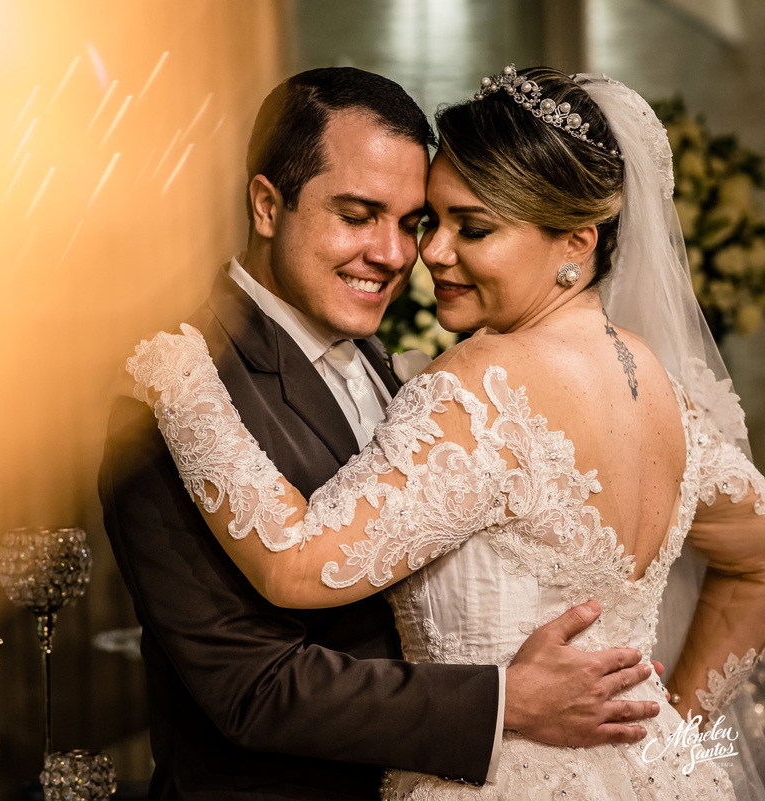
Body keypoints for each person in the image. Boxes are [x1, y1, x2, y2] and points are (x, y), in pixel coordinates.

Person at [124, 65, 765, 800]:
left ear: (575, 243)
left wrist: (179, 383)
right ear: (268, 205)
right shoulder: (662, 392)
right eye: (430, 220)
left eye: (470, 228)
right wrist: (670, 744)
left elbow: (297, 562)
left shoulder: (481, 384)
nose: (421, 252)